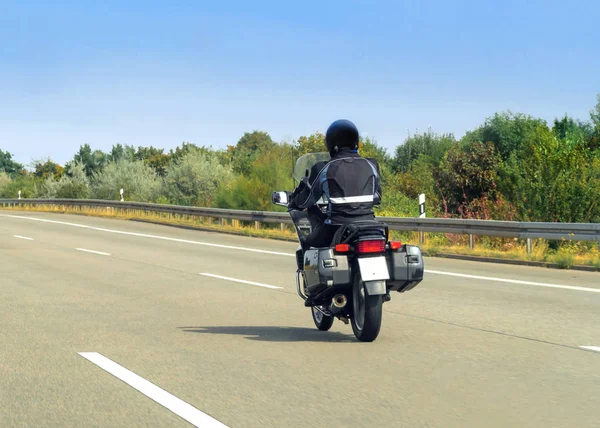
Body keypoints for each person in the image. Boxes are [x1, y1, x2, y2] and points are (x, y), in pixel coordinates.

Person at [288, 119, 382, 252]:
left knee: (308, 243)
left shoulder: (323, 168)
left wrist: (295, 201)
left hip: (336, 228)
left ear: (331, 143)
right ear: (355, 141)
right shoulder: (371, 165)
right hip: (370, 227)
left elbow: (307, 200)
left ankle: (312, 272)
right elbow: (377, 196)